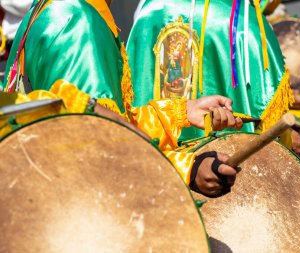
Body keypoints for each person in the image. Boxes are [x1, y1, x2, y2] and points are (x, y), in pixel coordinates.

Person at [1, 0, 244, 196]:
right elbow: (98, 144)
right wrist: (187, 171)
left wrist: (179, 113)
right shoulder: (77, 21)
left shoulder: (51, 8)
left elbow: (98, 117)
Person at [127, 0, 300, 153]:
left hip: (152, 160)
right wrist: (285, 137)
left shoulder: (151, 8)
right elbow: (268, 117)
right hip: (225, 174)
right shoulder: (247, 25)